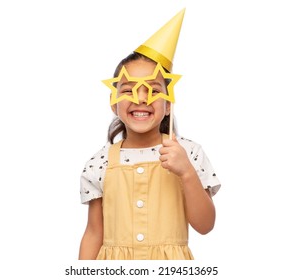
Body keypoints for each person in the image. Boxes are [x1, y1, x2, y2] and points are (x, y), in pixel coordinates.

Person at [78, 9, 221, 260]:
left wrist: (186, 171)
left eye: (153, 90)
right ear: (114, 102)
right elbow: (93, 233)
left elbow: (205, 225)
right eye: (129, 90)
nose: (141, 99)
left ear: (168, 104)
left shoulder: (190, 154)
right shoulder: (99, 162)